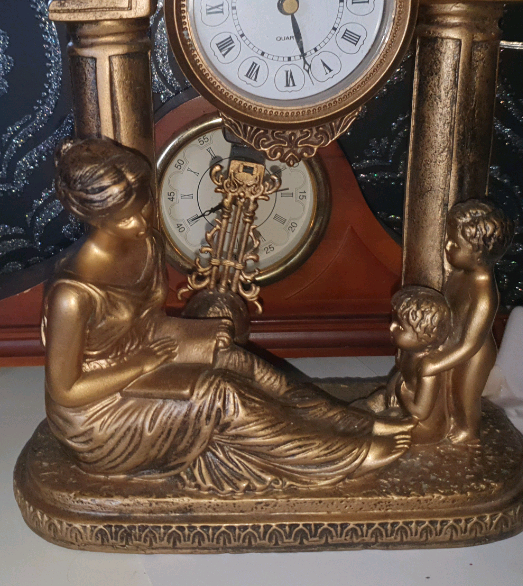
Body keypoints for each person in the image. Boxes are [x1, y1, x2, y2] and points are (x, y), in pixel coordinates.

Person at [42, 136, 413, 493]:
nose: (140, 222)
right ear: (91, 216)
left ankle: (348, 421)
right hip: (100, 414)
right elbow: (66, 390)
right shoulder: (72, 294)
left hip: (147, 360)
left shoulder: (146, 243)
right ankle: (338, 457)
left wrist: (195, 338)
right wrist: (139, 365)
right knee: (220, 394)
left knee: (236, 359)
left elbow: (147, 323)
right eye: (124, 219)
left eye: (144, 206)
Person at [420, 199, 514, 444]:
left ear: (479, 253)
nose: (447, 246)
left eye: (454, 243)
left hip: (474, 355)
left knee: (464, 396)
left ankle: (469, 435)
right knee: (449, 391)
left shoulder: (484, 294)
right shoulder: (459, 276)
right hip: (454, 344)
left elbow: (469, 345)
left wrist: (437, 363)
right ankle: (449, 425)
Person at [387, 286, 452, 444]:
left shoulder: (427, 368)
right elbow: (402, 375)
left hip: (425, 427)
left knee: (380, 424)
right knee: (370, 407)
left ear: (425, 337)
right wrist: (393, 387)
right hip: (405, 406)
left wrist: (400, 392)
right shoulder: (410, 353)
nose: (391, 327)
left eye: (400, 327)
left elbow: (421, 412)